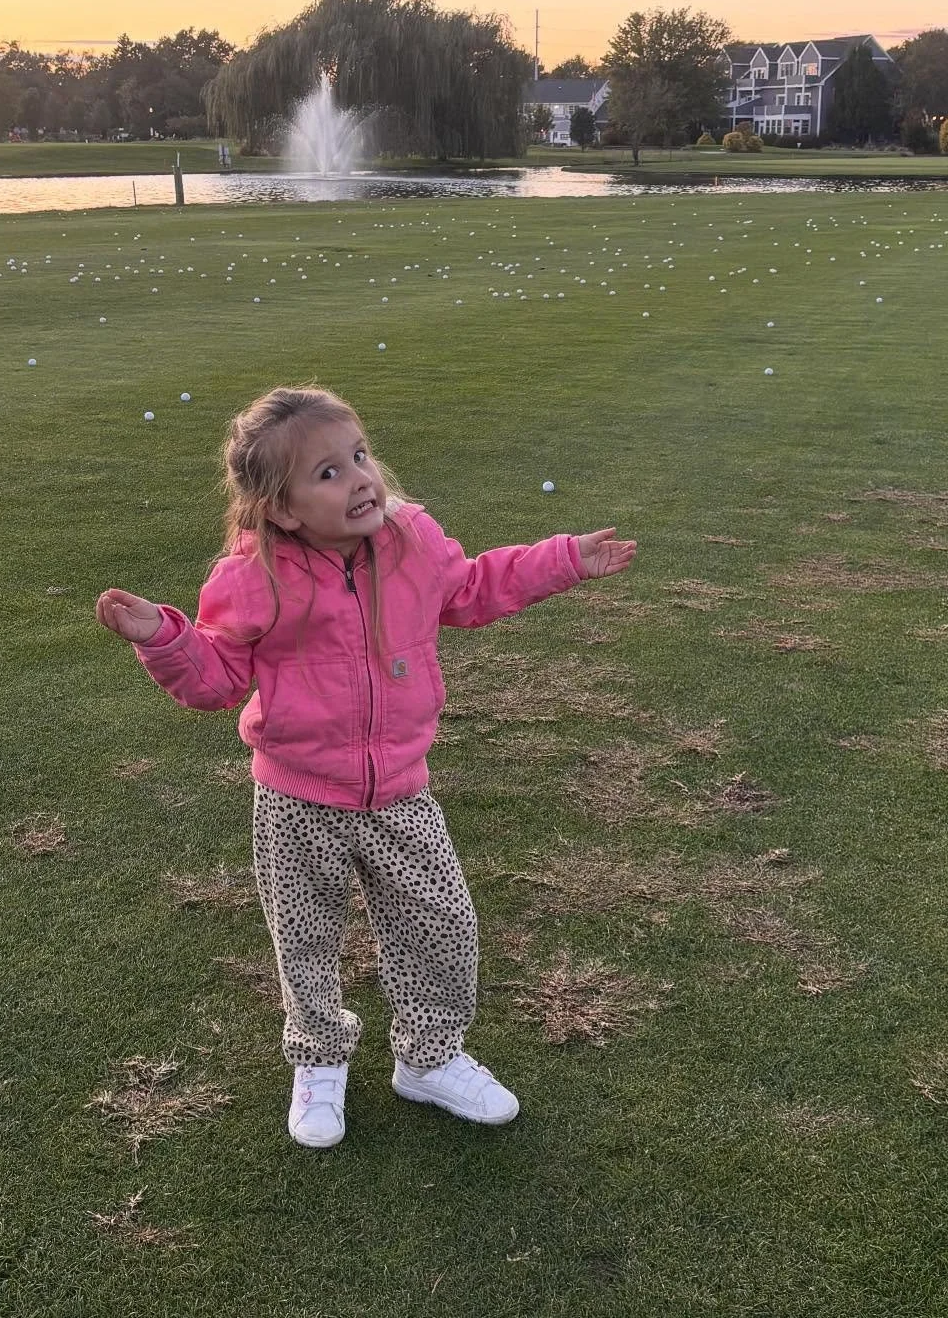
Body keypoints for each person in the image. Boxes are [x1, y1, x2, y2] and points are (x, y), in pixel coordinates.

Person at [96, 386, 637, 1149]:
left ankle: (429, 1057)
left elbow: (473, 587)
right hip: (296, 796)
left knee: (441, 924)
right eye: (326, 473)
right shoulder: (255, 578)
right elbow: (215, 680)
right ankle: (318, 1060)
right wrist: (163, 636)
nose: (357, 479)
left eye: (358, 456)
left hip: (400, 792)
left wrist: (563, 560)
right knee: (306, 938)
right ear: (281, 509)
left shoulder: (411, 540)